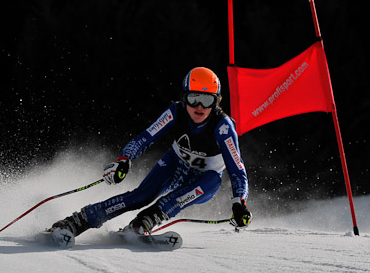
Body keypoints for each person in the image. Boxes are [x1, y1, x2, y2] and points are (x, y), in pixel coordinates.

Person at [51, 67, 252, 238]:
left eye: (207, 100)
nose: (199, 107)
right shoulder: (175, 111)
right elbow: (146, 136)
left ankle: (146, 221)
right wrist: (124, 159)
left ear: (216, 102)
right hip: (175, 164)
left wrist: (239, 203)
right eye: (193, 98)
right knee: (142, 195)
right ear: (184, 98)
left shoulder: (223, 128)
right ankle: (79, 220)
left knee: (211, 181)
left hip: (203, 180)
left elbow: (237, 170)